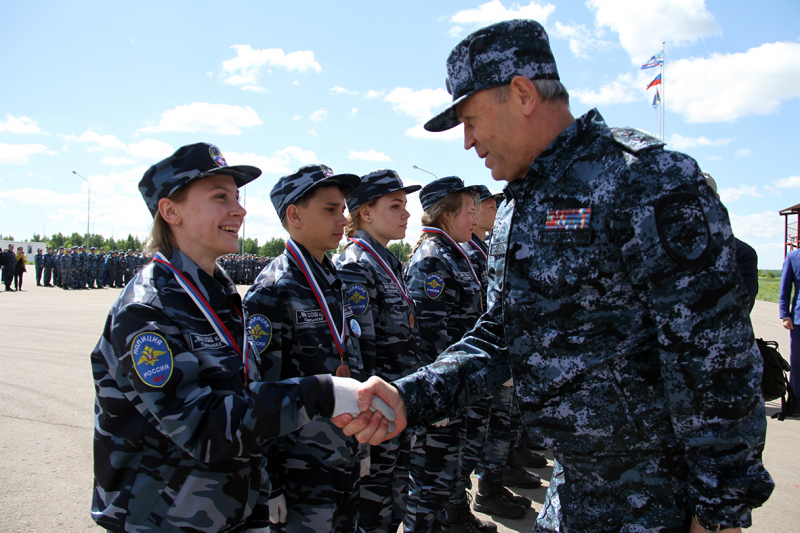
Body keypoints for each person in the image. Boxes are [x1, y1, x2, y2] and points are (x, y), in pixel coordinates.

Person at [335, 19, 773, 533]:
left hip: (660, 502)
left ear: (521, 94)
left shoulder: (646, 180)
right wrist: (410, 396)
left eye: (471, 120)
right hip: (572, 491)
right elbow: (502, 335)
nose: (468, 142)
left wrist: (718, 511)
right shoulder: (522, 206)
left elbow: (714, 354)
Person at [90, 144, 392, 533]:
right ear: (171, 212)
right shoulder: (146, 310)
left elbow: (249, 394)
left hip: (231, 511)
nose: (240, 209)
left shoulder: (217, 293)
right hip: (167, 521)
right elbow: (201, 427)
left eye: (237, 197)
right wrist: (322, 393)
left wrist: (260, 493)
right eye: (220, 197)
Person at [243, 164, 368, 533]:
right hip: (300, 470)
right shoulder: (273, 290)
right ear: (294, 215)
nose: (344, 219)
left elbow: (351, 366)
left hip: (341, 453)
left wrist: (360, 446)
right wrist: (271, 484)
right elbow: (261, 395)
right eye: (330, 209)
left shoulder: (333, 279)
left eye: (343, 209)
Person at [402, 176, 497, 533]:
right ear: (445, 215)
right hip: (443, 391)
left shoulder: (455, 253)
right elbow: (429, 340)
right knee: (430, 478)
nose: (474, 220)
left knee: (451, 469)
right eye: (468, 212)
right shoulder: (432, 260)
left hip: (460, 385)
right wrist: (435, 398)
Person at [334, 168, 422, 533]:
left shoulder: (386, 262)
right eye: (396, 205)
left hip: (395, 407)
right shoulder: (357, 266)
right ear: (366, 213)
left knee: (393, 503)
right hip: (377, 417)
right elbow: (362, 357)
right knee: (372, 512)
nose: (407, 214)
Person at [779, 248, 800, 405]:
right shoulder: (793, 257)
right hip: (798, 321)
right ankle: (796, 401)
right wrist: (785, 314)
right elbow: (785, 288)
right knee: (798, 362)